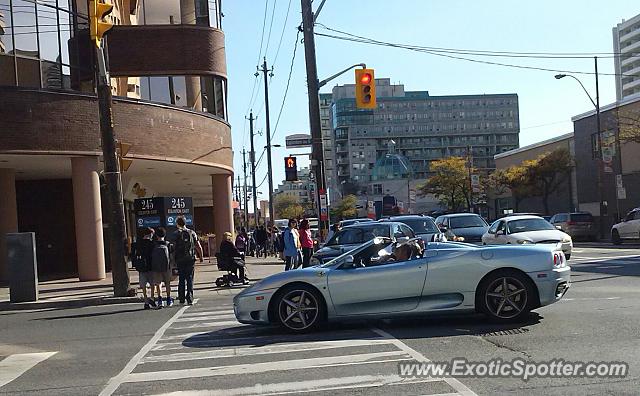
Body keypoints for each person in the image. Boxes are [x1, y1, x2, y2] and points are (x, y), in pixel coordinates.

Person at [172, 216, 203, 305]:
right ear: (185, 223)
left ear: (177, 224)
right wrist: (201, 256)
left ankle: (181, 298)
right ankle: (189, 297)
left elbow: (173, 248)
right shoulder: (192, 233)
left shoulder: (175, 234)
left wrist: (173, 260)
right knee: (189, 278)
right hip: (190, 258)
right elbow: (198, 245)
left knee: (181, 278)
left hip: (180, 259)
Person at [131, 228, 156, 309]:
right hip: (150, 266)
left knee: (143, 285)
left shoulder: (138, 243)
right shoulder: (152, 243)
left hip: (141, 267)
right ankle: (152, 297)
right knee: (153, 284)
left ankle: (146, 301)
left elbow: (133, 254)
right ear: (149, 234)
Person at [151, 227, 173, 308]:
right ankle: (168, 299)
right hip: (166, 266)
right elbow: (171, 255)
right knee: (167, 283)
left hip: (156, 267)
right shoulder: (167, 244)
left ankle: (160, 300)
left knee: (158, 283)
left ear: (156, 235)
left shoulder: (154, 244)